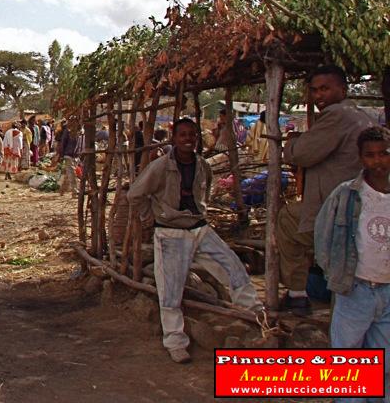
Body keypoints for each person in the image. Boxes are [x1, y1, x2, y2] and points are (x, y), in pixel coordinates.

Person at [129, 118, 264, 364]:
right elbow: (135, 194)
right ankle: (175, 341)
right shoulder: (161, 167)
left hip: (199, 228)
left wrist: (200, 210)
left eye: (192, 135)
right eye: (182, 135)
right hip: (170, 232)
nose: (188, 139)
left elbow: (205, 190)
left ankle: (257, 315)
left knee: (232, 267)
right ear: (174, 138)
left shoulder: (202, 165)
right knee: (170, 291)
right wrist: (152, 216)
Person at [278, 66, 373, 315]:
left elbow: (302, 153)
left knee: (288, 221)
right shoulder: (359, 114)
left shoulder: (337, 115)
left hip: (339, 209)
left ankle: (296, 294)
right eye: (314, 90)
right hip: (359, 202)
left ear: (342, 89)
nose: (319, 95)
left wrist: (292, 143)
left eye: (325, 89)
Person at [315, 127, 390, 397]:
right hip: (355, 290)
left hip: (388, 291)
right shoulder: (346, 195)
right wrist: (337, 276)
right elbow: (323, 239)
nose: (378, 161)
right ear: (361, 158)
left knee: (384, 366)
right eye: (370, 155)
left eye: (384, 153)